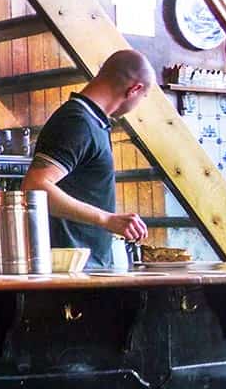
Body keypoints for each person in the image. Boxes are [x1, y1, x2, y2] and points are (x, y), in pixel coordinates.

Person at [21, 49, 154, 268]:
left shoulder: (93, 122)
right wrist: (106, 219)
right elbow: (35, 187)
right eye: (143, 97)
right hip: (69, 269)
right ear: (134, 89)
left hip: (85, 266)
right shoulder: (77, 122)